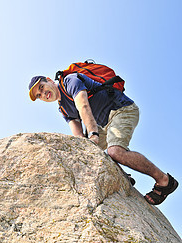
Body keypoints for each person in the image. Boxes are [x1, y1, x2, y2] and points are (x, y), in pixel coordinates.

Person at [28, 72, 178, 205]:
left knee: (115, 152)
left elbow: (83, 106)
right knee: (85, 154)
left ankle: (165, 181)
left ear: (49, 80)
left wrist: (93, 134)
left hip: (121, 109)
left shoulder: (69, 81)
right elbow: (78, 137)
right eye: (39, 96)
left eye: (41, 87)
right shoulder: (63, 108)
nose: (43, 94)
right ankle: (122, 177)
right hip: (104, 124)